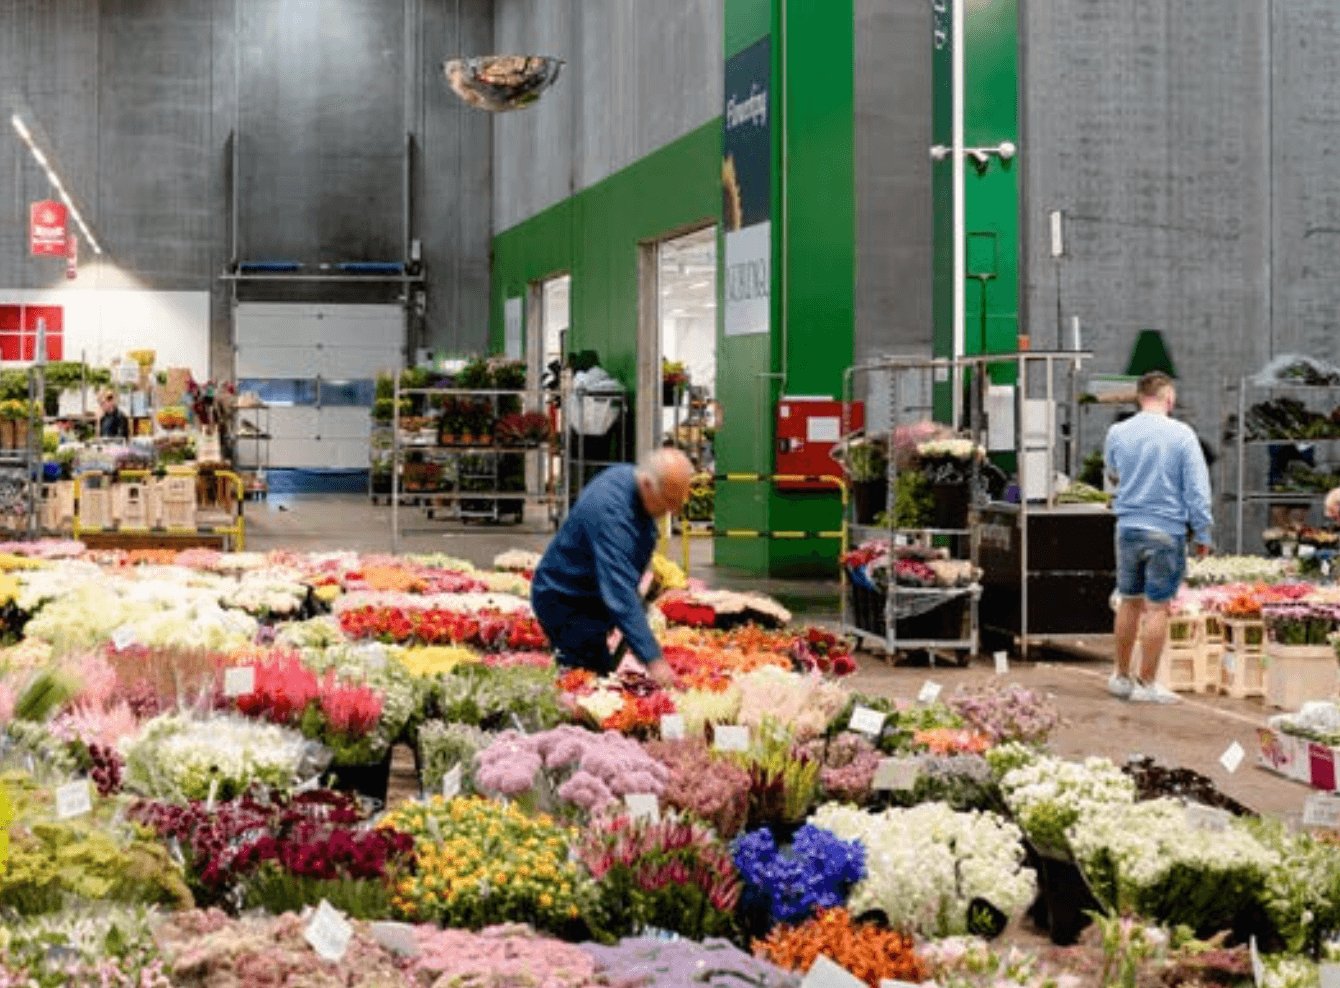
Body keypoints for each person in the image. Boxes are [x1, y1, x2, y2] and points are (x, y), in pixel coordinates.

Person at [530, 448, 693, 685]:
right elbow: (619, 591)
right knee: (588, 682)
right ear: (648, 485)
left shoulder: (629, 479)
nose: (672, 512)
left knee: (597, 676)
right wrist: (654, 660)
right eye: (668, 502)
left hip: (588, 599)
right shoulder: (612, 514)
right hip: (567, 603)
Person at [1103, 371, 1213, 703]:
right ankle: (1147, 684)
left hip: (1128, 527)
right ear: (1169, 398)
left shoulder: (1117, 432)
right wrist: (1203, 530)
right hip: (1167, 530)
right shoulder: (1182, 435)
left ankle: (1121, 677)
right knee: (1157, 608)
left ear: (1139, 397)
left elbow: (1112, 472)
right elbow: (1197, 490)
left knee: (1129, 601)